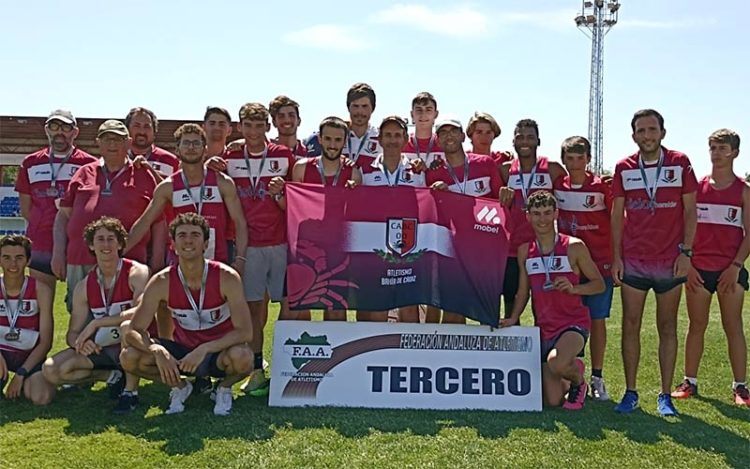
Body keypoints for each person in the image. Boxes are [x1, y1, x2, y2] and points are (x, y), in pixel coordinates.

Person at [119, 213, 254, 416]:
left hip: (217, 353)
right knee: (129, 357)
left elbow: (245, 332)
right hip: (182, 354)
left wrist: (205, 348)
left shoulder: (227, 277)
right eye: (181, 235)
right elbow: (133, 331)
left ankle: (223, 388)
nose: (188, 240)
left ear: (205, 243)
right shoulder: (161, 281)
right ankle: (181, 387)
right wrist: (155, 349)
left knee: (243, 357)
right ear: (172, 244)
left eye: (195, 235)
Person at [611, 109, 698, 417]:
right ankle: (631, 392)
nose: (647, 136)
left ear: (663, 132)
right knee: (630, 325)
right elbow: (616, 217)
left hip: (669, 261)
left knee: (667, 327)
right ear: (633, 135)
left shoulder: (680, 162)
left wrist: (686, 253)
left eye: (652, 130)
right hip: (634, 260)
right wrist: (617, 257)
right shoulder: (623, 167)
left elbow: (690, 211)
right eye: (641, 131)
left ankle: (665, 395)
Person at [209, 103, 296, 397]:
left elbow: (297, 197)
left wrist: (282, 191)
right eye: (248, 126)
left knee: (288, 306)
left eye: (260, 126)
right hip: (249, 244)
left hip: (281, 241)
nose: (254, 132)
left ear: (268, 127)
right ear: (240, 127)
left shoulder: (283, 155)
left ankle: (286, 365)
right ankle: (257, 369)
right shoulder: (230, 156)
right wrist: (213, 164)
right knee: (254, 309)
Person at [501, 191, 605, 410]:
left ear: (556, 213)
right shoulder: (524, 251)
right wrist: (513, 318)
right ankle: (570, 367)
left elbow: (599, 284)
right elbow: (523, 291)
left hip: (572, 325)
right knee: (552, 401)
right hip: (544, 329)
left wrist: (574, 288)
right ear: (527, 216)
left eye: (548, 213)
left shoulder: (574, 246)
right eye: (536, 213)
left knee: (555, 363)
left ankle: (578, 381)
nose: (543, 219)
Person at [51, 120, 165, 313]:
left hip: (128, 262)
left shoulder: (143, 174)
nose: (112, 144)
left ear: (128, 143)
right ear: (98, 143)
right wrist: (58, 253)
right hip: (80, 260)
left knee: (124, 319)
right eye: (107, 139)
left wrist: (157, 262)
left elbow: (158, 223)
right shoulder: (83, 172)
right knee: (80, 318)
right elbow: (63, 216)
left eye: (118, 140)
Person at [672, 129, 749, 406]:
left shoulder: (744, 191)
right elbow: (683, 228)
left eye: (722, 148)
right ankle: (689, 381)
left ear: (735, 153)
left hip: (730, 270)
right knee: (697, 326)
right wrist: (689, 263)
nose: (717, 153)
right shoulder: (698, 188)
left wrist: (736, 266)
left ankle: (740, 387)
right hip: (699, 270)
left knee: (733, 326)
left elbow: (749, 233)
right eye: (713, 148)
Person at [42, 217, 149, 400]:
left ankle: (130, 393)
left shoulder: (137, 272)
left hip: (135, 347)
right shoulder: (84, 286)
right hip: (103, 350)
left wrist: (98, 323)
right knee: (51, 369)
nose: (105, 244)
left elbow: (141, 311)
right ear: (91, 245)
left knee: (127, 327)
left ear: (120, 243)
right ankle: (111, 377)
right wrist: (81, 344)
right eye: (100, 239)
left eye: (111, 239)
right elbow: (72, 333)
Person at [269, 116, 360, 322]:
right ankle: (291, 353)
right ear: (319, 139)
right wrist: (277, 195)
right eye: (328, 139)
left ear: (345, 141)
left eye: (337, 140)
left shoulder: (353, 172)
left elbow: (355, 214)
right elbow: (292, 208)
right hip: (304, 246)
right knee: (294, 306)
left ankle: (336, 354)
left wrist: (355, 194)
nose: (332, 145)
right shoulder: (302, 167)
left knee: (336, 309)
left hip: (337, 248)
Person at [126, 123, 247, 268]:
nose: (191, 147)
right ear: (177, 149)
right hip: (179, 264)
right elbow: (144, 222)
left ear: (205, 149)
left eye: (196, 143)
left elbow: (240, 223)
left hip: (217, 262)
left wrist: (240, 259)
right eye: (186, 143)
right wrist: (120, 251)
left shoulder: (223, 183)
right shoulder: (167, 187)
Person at [554, 136, 614, 401]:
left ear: (589, 159)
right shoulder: (558, 186)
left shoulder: (602, 187)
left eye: (581, 158)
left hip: (600, 264)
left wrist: (616, 260)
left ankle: (598, 377)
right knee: (570, 321)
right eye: (570, 158)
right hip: (570, 268)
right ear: (564, 160)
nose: (575, 163)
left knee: (597, 321)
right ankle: (573, 373)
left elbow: (617, 223)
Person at [426, 116, 502, 324]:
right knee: (453, 306)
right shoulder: (434, 172)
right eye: (443, 133)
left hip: (482, 245)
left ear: (462, 135)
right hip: (451, 247)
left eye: (453, 131)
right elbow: (430, 213)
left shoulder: (485, 163)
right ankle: (445, 355)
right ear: (438, 140)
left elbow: (500, 201)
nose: (449, 136)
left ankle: (487, 353)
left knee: (485, 305)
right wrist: (438, 195)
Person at [14, 110, 97, 298]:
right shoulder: (30, 163)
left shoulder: (89, 164)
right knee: (41, 304)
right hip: (40, 244)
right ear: (46, 130)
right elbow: (26, 209)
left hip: (78, 244)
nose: (60, 132)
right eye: (54, 126)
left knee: (82, 304)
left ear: (75, 132)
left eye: (66, 127)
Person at [499, 119, 566, 323]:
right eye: (520, 137)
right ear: (513, 141)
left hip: (543, 248)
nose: (524, 141)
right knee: (511, 305)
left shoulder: (553, 169)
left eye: (530, 137)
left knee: (545, 306)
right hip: (511, 249)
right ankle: (512, 355)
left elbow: (570, 194)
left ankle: (547, 353)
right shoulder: (504, 170)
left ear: (538, 140)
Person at [0, 235, 55, 404]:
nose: (13, 264)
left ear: (28, 260)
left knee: (41, 398)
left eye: (19, 258)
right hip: (1, 353)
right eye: (6, 258)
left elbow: (46, 341)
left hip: (29, 355)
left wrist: (22, 373)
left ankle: (25, 382)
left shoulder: (41, 290)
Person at [306, 83, 381, 169]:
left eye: (364, 106)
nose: (360, 111)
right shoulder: (332, 135)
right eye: (355, 106)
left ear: (373, 108)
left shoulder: (381, 138)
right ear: (348, 107)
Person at [125, 107, 180, 181]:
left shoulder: (171, 161)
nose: (142, 132)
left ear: (154, 131)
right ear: (127, 129)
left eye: (147, 126)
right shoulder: (117, 158)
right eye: (137, 126)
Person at [401, 92, 444, 168]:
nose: (423, 114)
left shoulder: (444, 144)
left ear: (436, 114)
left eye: (428, 110)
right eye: (419, 110)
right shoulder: (402, 143)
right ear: (412, 115)